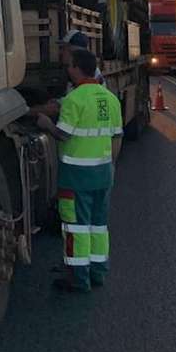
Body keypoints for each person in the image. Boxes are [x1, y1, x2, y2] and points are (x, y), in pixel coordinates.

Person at [34, 47, 122, 292]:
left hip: (76, 177)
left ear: (76, 68)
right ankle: (98, 272)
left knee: (76, 228)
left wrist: (45, 124)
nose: (67, 69)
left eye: (69, 65)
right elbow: (116, 138)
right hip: (103, 174)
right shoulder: (110, 98)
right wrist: (111, 167)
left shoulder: (75, 100)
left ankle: (77, 278)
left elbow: (62, 134)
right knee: (98, 226)